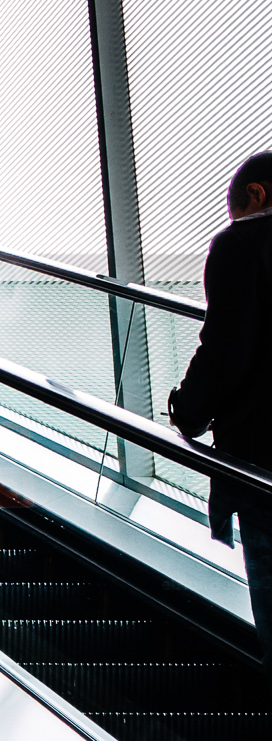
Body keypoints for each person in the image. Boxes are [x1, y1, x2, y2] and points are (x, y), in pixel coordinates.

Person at [170, 151, 272, 700]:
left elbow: (227, 347)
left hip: (263, 454)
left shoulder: (242, 244)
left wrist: (186, 412)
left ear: (257, 193)